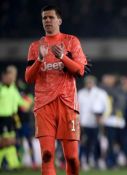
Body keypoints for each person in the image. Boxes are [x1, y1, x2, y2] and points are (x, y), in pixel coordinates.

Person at [25, 5, 89, 175]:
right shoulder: (35, 47)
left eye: (50, 17)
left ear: (59, 20)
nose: (47, 20)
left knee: (73, 159)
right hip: (44, 105)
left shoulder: (71, 41)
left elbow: (80, 71)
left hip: (67, 104)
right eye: (44, 18)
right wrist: (39, 59)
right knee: (46, 155)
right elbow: (29, 79)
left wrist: (62, 57)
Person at [78, 75, 108, 170]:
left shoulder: (101, 93)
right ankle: (85, 161)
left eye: (91, 82)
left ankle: (98, 161)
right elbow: (77, 108)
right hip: (84, 123)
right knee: (85, 143)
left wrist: (103, 118)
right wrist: (78, 120)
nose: (89, 84)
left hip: (97, 123)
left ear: (94, 83)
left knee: (97, 142)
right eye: (87, 82)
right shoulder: (81, 93)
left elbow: (106, 107)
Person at [0, 65, 23, 170]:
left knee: (11, 141)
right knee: (5, 142)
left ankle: (13, 164)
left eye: (14, 75)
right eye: (12, 75)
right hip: (3, 118)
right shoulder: (2, 88)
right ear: (6, 76)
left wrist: (31, 102)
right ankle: (10, 164)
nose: (13, 77)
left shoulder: (13, 87)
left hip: (12, 117)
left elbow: (19, 101)